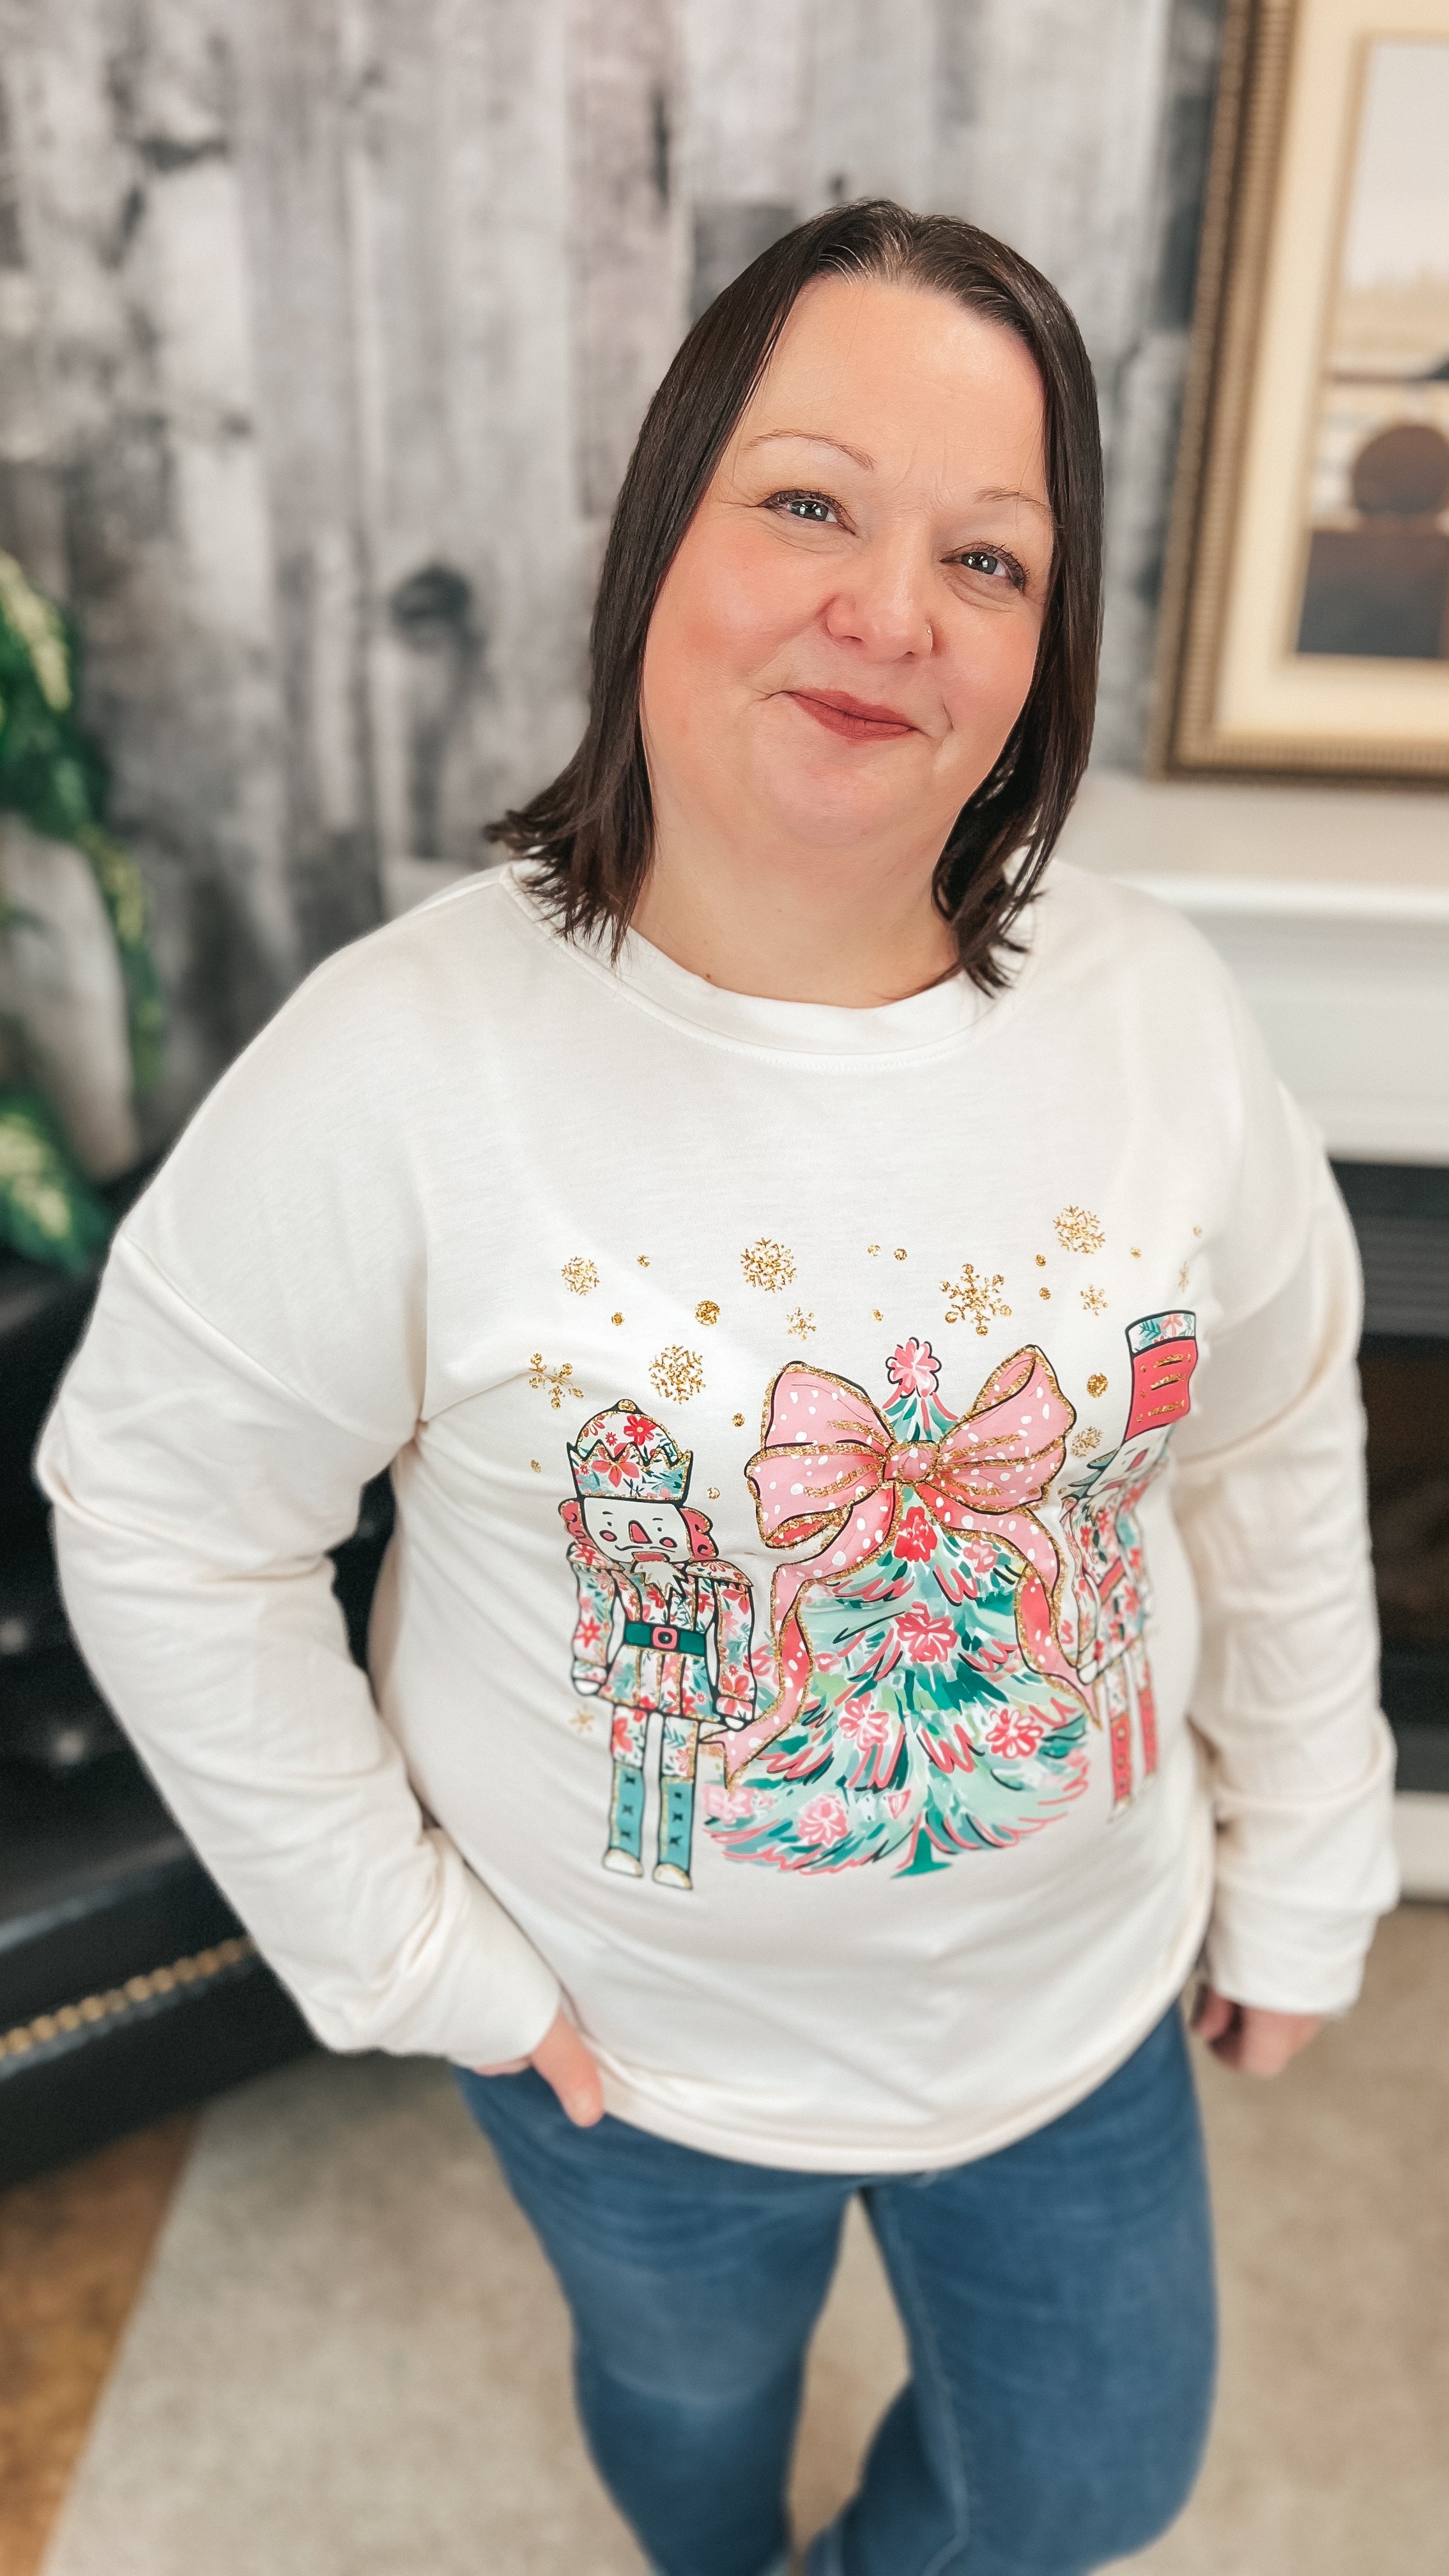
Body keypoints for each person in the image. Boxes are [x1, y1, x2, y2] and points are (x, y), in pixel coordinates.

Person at [39, 203, 1397, 2576]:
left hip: (1080, 2007)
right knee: (686, 2425)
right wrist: (408, 1955)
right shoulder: (402, 1060)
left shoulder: (1155, 1011)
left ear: (1043, 644)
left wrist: (1308, 1851)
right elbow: (164, 1512)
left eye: (986, 555)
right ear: (662, 531)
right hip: (624, 2058)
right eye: (808, 502)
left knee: (1091, 2478)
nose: (891, 611)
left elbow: (1270, 1436)